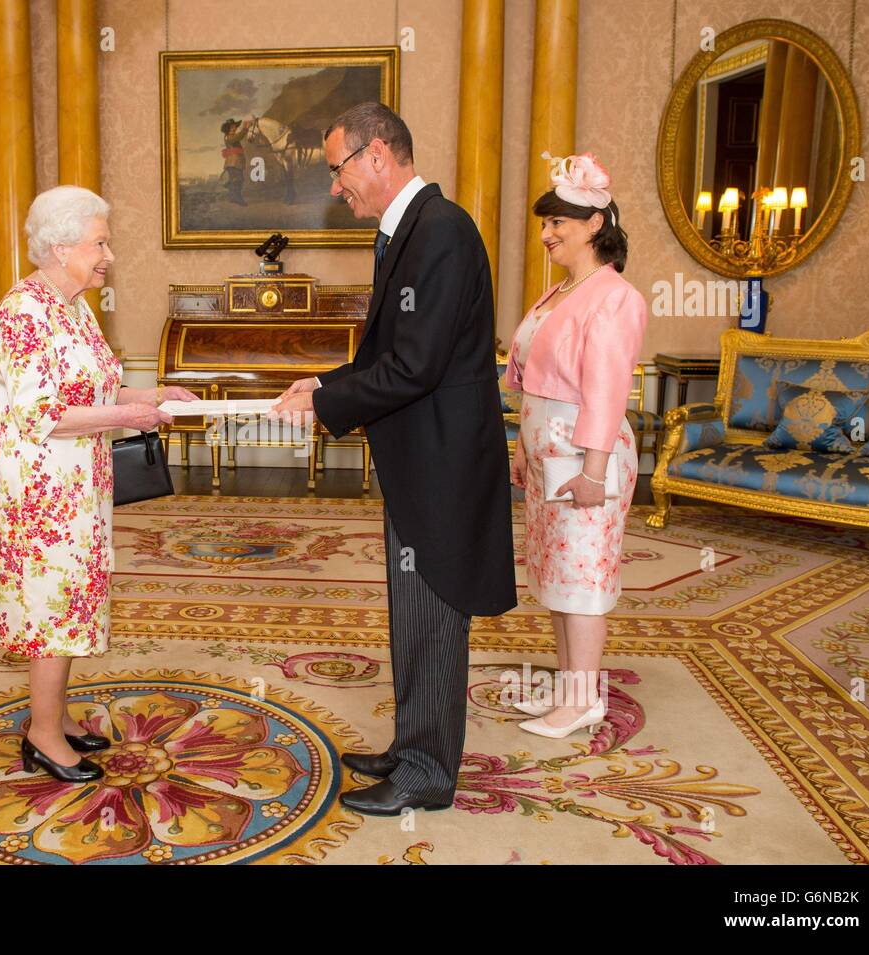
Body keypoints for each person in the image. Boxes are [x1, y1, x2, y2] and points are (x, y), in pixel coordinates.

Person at [272, 102, 516, 816]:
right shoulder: (408, 230)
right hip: (419, 460)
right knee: (412, 613)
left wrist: (324, 407)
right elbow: (390, 355)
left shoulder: (440, 232)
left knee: (434, 613)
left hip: (442, 467)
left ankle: (427, 773)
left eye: (336, 168)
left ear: (378, 154)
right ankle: (414, 742)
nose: (333, 187)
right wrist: (324, 383)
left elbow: (415, 367)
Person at [0, 185, 196, 782]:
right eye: (99, 242)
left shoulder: (74, 307)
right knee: (51, 604)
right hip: (38, 490)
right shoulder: (22, 311)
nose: (109, 254)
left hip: (77, 481)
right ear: (59, 246)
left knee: (73, 595)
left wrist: (152, 396)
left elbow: (93, 390)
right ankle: (44, 736)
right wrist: (127, 419)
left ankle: (58, 715)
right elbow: (39, 414)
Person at [504, 153, 647, 738]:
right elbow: (533, 381)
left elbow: (607, 393)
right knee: (559, 577)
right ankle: (570, 692)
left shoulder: (614, 297)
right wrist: (521, 448)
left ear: (595, 224)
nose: (546, 234)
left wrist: (593, 470)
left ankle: (585, 698)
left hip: (590, 457)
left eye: (558, 222)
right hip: (549, 454)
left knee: (584, 582)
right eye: (544, 223)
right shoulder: (562, 291)